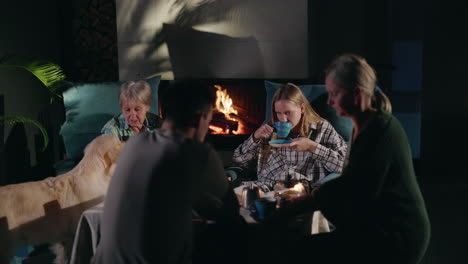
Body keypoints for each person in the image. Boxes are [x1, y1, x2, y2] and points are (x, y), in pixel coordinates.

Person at [266, 54, 430, 264]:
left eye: (334, 93)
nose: (329, 101)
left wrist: (304, 202)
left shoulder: (380, 131)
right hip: (379, 226)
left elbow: (355, 189)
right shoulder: (363, 126)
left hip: (396, 234)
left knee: (300, 251)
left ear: (356, 94)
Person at [92, 80, 245, 264]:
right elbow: (230, 213)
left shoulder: (133, 143)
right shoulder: (198, 152)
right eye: (209, 120)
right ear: (199, 119)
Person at [232, 82, 347, 190]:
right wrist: (255, 138)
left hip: (296, 193)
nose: (283, 119)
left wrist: (312, 147)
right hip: (262, 188)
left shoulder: (321, 129)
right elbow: (239, 161)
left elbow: (345, 166)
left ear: (302, 109)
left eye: (288, 113)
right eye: (278, 113)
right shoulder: (269, 130)